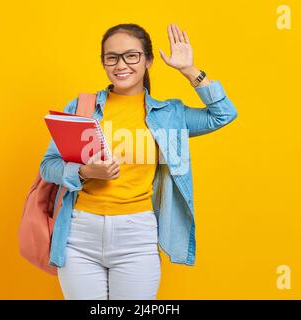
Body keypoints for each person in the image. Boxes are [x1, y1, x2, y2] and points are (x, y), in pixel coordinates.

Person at [39, 23, 238, 300]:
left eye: (131, 55)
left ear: (148, 61)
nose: (121, 64)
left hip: (137, 236)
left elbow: (223, 115)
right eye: (112, 57)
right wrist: (84, 172)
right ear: (104, 62)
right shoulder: (82, 107)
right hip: (79, 235)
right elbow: (48, 166)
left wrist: (189, 70)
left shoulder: (169, 115)